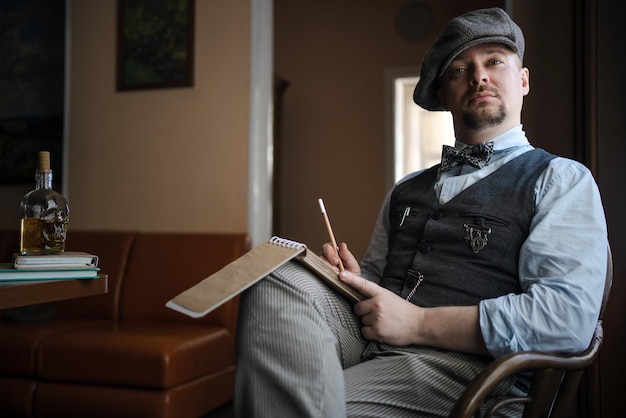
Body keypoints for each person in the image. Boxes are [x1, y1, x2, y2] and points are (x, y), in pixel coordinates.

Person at [234, 7, 608, 417]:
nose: (478, 76)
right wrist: (356, 283)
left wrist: (415, 324)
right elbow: (378, 282)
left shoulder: (561, 179)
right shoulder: (405, 189)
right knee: (278, 278)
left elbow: (566, 320)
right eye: (459, 70)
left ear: (523, 80)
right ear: (444, 94)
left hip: (471, 374)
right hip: (372, 343)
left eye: (494, 62)